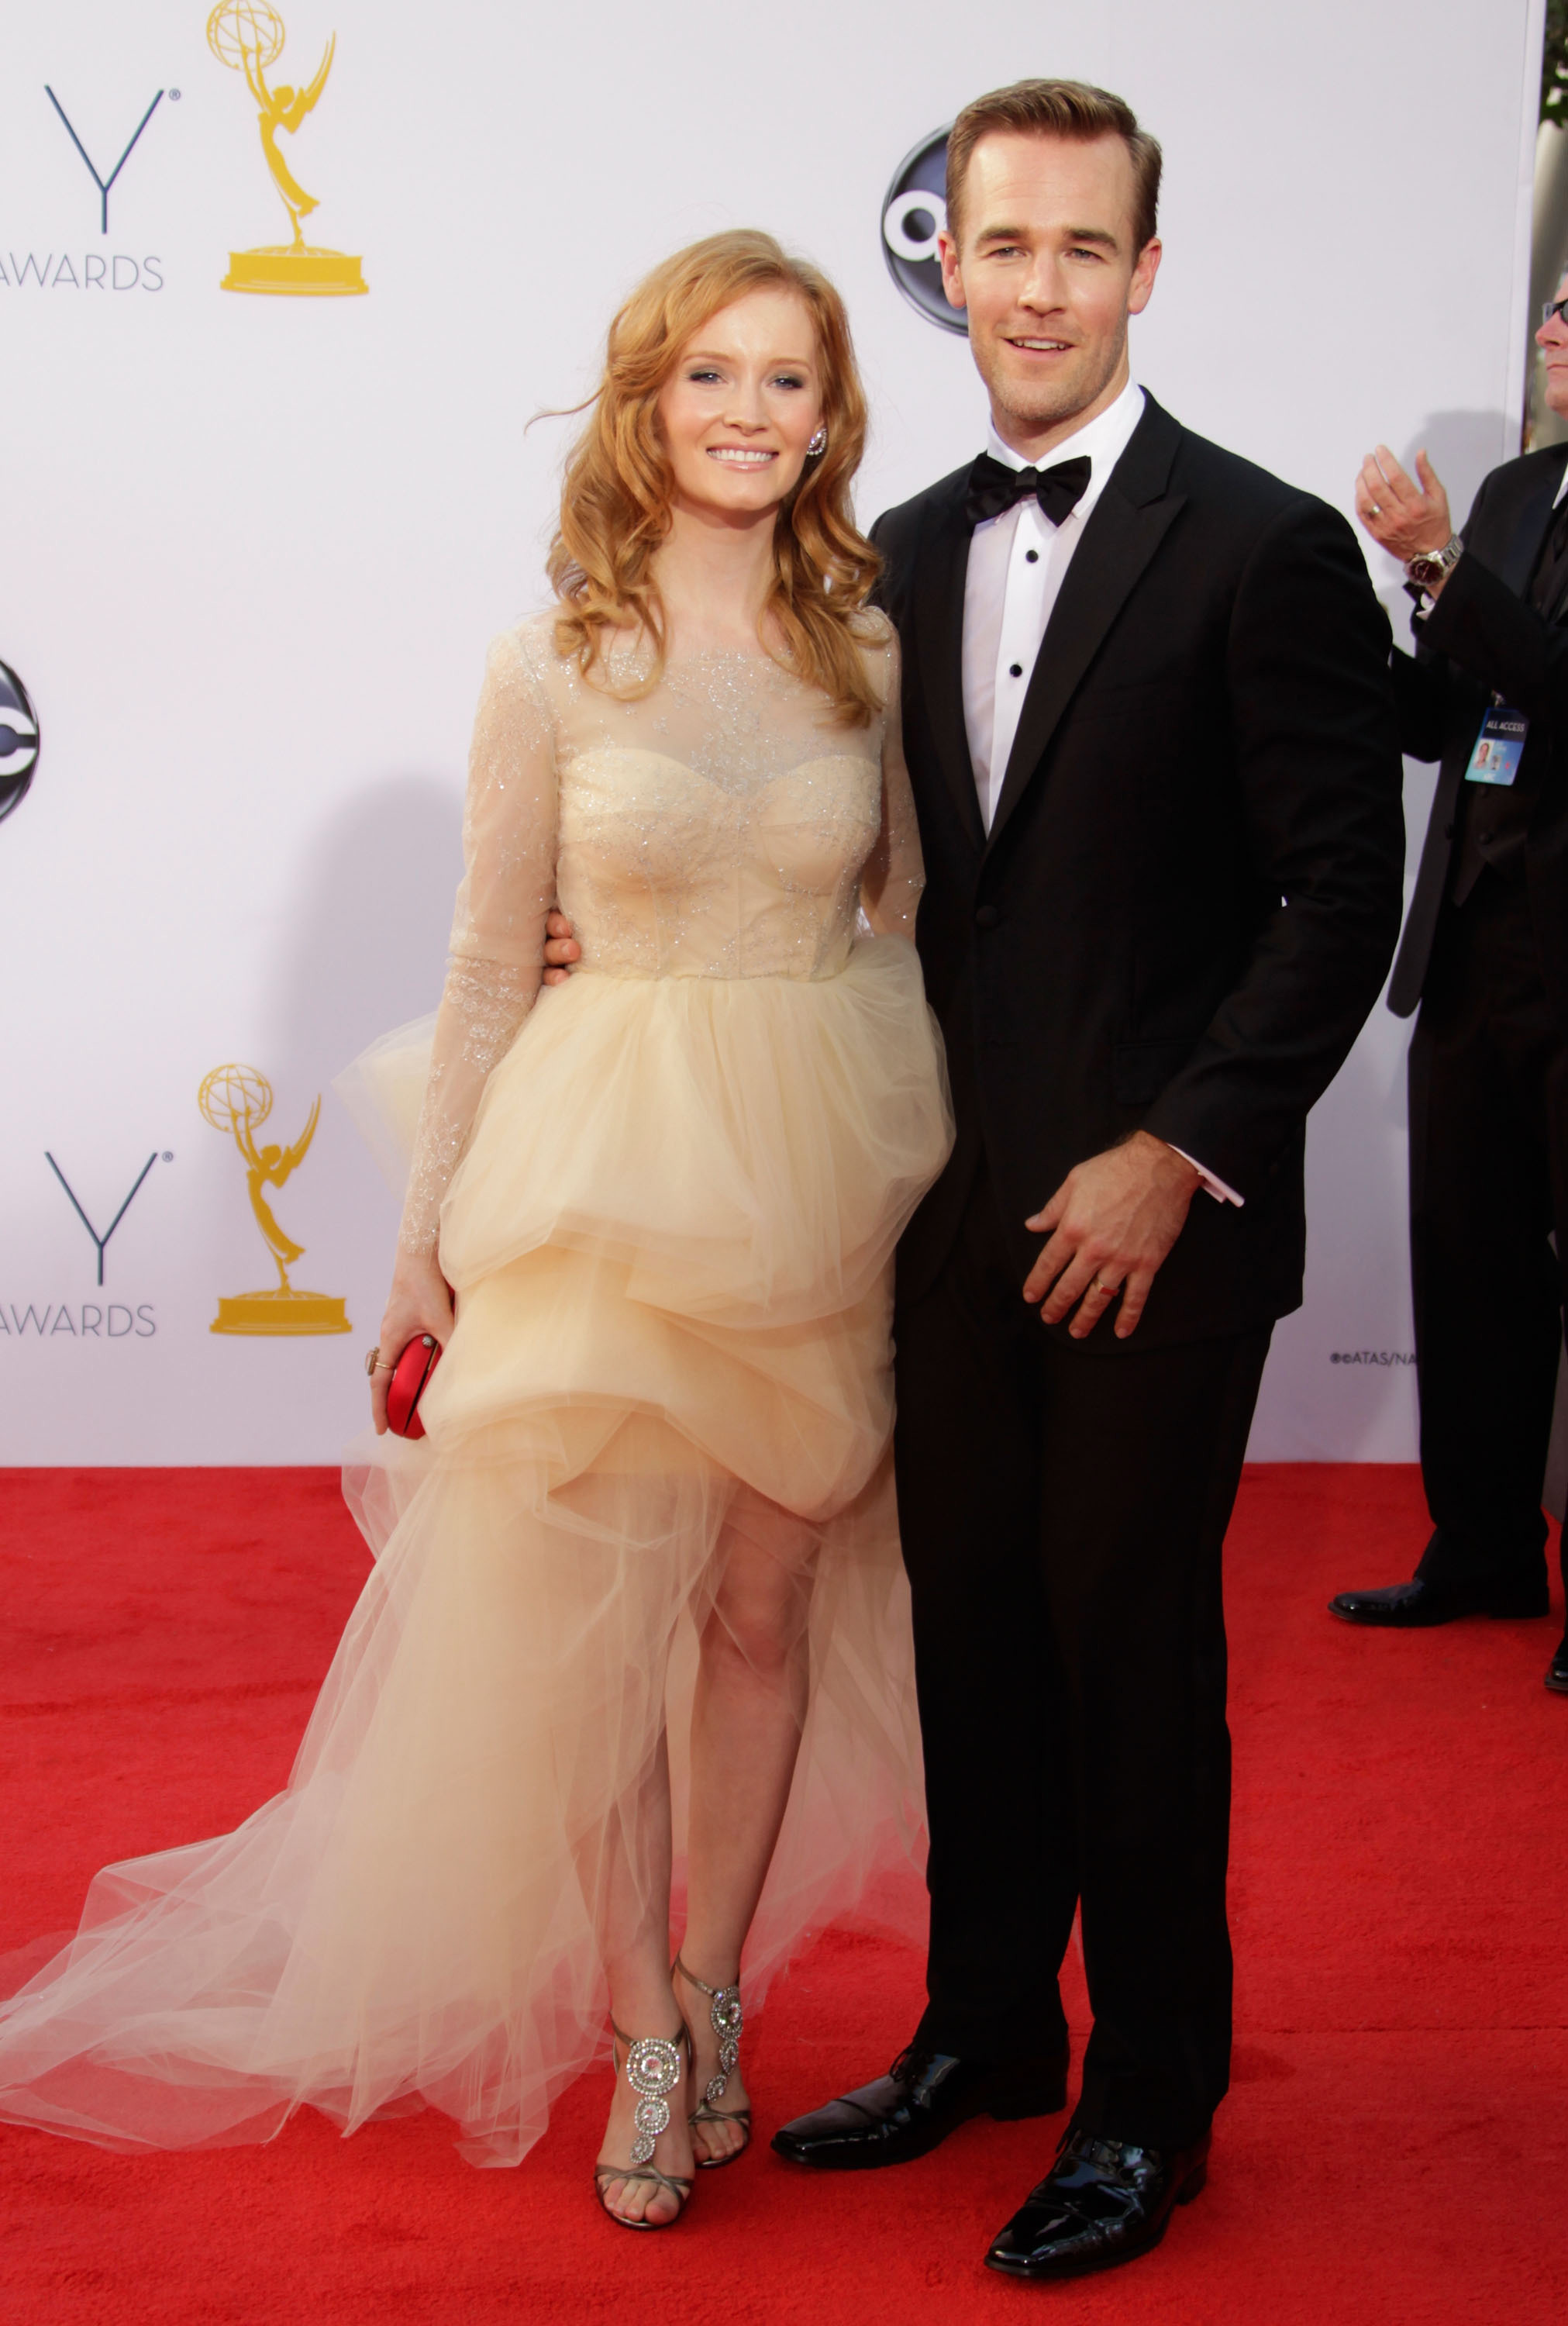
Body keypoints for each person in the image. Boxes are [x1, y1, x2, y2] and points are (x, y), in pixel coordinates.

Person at [0, 230, 953, 2229]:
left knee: (761, 1612)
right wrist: (423, 1245)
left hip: (809, 1164)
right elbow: (481, 955)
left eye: (789, 381)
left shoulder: (868, 640)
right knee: (603, 1638)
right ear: (647, 401)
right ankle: (643, 2034)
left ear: (829, 416)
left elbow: (904, 905)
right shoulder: (549, 657)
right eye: (712, 377)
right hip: (592, 1169)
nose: (750, 415)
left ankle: (718, 1980)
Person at [760, 79, 1404, 2283]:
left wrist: (1182, 1149)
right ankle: (984, 2033)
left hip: (1154, 1230)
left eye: (1079, 247)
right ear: (947, 263)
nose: (1033, 285)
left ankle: (1151, 2102)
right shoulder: (903, 547)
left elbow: (1340, 896)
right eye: (996, 245)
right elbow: (873, 887)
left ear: (1144, 269)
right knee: (972, 1641)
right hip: (943, 1216)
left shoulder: (1266, 544)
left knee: (1127, 1653)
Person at [1328, 279, 1568, 1696]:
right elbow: (1450, 714)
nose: (1550, 322)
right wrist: (1363, 600)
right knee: (1471, 1268)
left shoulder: (1482, 518)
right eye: (1550, 305)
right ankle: (1480, 1550)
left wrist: (1443, 566)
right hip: (1473, 949)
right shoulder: (1522, 488)